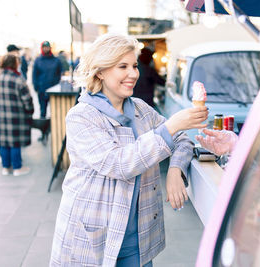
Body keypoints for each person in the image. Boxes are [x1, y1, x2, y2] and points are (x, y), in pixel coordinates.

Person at [50, 34, 208, 267]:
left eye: (134, 65)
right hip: (94, 238)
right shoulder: (82, 116)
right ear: (100, 71)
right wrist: (171, 126)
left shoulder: (141, 109)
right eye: (122, 66)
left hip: (139, 240)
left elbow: (183, 140)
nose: (133, 73)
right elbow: (119, 164)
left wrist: (176, 170)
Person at [0, 54, 34, 176]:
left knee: (3, 141)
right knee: (14, 142)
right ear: (14, 64)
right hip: (16, 117)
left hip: (0, 116)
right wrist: (30, 110)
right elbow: (27, 100)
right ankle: (17, 167)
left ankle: (6, 168)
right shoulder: (18, 79)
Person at [32, 41, 62, 118]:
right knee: (42, 110)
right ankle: (43, 128)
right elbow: (34, 75)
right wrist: (36, 87)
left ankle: (53, 128)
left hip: (54, 89)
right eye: (44, 47)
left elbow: (60, 73)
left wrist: (57, 84)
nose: (46, 49)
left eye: (47, 47)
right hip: (42, 89)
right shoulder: (38, 60)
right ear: (42, 48)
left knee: (55, 111)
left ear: (50, 48)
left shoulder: (56, 60)